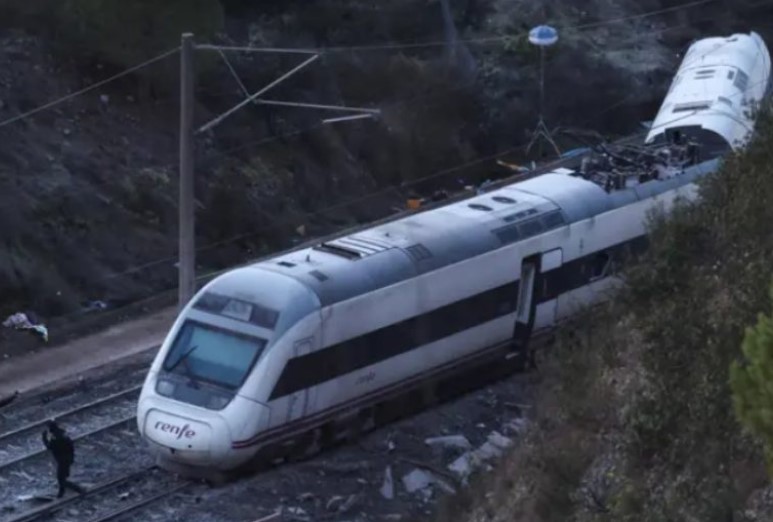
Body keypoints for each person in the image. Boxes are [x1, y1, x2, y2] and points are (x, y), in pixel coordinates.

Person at [42, 420, 85, 498]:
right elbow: (71, 446)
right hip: (68, 458)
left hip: (63, 460)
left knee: (61, 479)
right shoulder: (63, 434)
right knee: (62, 478)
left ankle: (78, 490)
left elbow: (50, 447)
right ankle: (61, 493)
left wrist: (44, 438)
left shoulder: (55, 438)